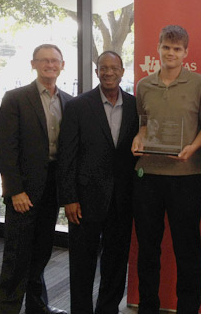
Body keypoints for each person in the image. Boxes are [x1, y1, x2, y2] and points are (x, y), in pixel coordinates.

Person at [131, 25, 201, 314]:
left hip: (186, 177)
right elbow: (143, 124)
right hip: (149, 177)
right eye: (166, 47)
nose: (171, 53)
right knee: (148, 249)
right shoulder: (143, 85)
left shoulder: (200, 84)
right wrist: (139, 137)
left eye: (177, 49)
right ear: (158, 48)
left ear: (185, 53)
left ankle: (188, 308)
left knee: (187, 250)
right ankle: (148, 307)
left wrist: (193, 148)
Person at [57, 51, 139, 314]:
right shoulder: (78, 106)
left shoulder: (135, 106)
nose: (108, 72)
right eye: (103, 68)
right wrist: (68, 198)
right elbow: (66, 156)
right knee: (82, 263)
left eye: (114, 68)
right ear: (97, 73)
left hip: (122, 200)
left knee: (116, 262)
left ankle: (108, 309)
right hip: (84, 199)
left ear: (122, 71)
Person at [0, 44, 71, 314]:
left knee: (41, 252)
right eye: (44, 60)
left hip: (52, 188)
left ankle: (37, 307)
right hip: (24, 191)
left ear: (63, 65)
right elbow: (6, 148)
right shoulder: (15, 98)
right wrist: (14, 190)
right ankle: (8, 309)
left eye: (55, 60)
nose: (50, 65)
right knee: (16, 256)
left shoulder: (69, 101)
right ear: (33, 64)